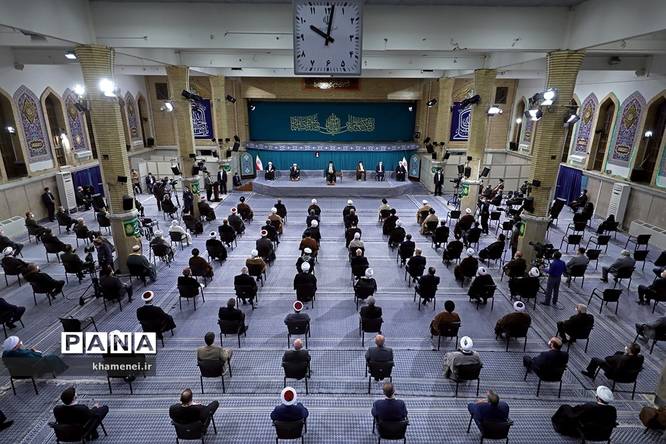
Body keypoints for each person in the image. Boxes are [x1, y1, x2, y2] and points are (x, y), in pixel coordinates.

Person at [551, 386, 616, 438]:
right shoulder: (612, 410)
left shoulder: (590, 407)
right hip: (603, 435)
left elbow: (574, 415)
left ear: (598, 398)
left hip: (587, 433)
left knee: (565, 407)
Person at [2, 335, 68, 375]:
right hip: (30, 370)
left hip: (16, 373)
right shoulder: (22, 354)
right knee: (51, 357)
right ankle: (63, 369)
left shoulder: (6, 355)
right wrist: (37, 352)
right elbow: (36, 359)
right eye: (19, 343)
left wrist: (29, 351)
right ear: (15, 346)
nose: (20, 343)